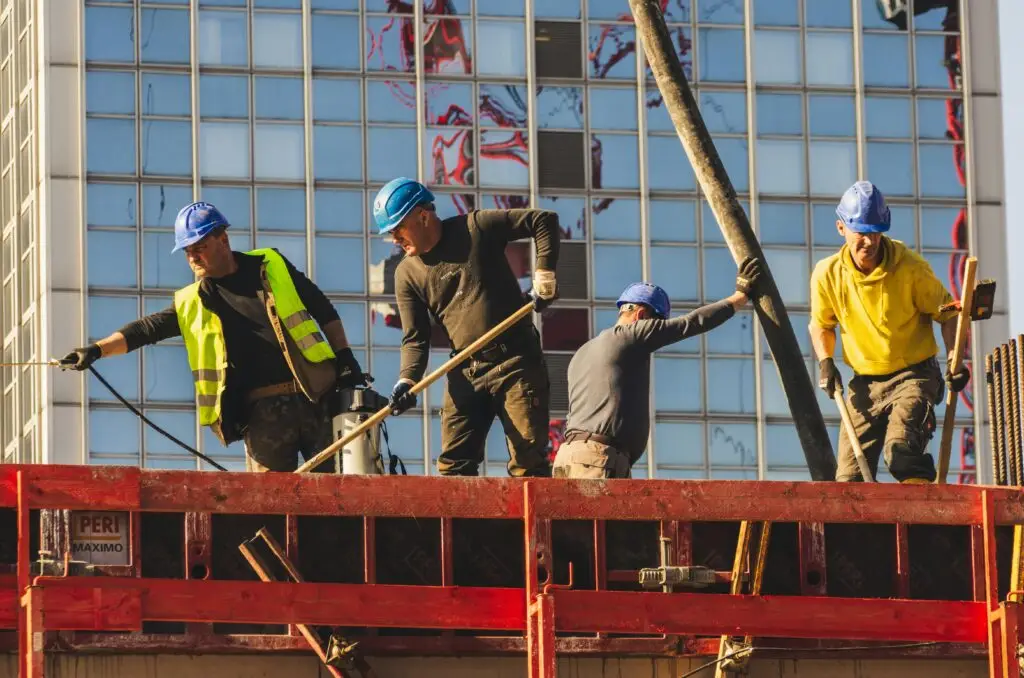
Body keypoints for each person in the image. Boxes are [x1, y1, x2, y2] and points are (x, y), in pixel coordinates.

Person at [60, 202, 368, 472]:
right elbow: (146, 329)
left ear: (223, 239)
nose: (193, 258)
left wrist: (344, 358)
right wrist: (97, 350)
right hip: (262, 416)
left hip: (316, 397)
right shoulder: (193, 301)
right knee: (273, 507)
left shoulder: (271, 266)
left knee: (335, 498)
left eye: (199, 248)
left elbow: (322, 309)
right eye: (187, 252)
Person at [374, 177, 559, 477]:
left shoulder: (476, 228)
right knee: (453, 468)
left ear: (422, 216)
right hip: (467, 369)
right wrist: (406, 382)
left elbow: (542, 220)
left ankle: (529, 525)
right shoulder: (406, 274)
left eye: (397, 229)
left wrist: (545, 274)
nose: (394, 239)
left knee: (528, 463)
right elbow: (415, 338)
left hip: (516, 361)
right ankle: (464, 526)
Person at [810, 181, 969, 484]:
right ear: (841, 228)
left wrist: (954, 359)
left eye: (875, 232)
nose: (869, 242)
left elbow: (949, 312)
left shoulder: (909, 268)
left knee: (901, 452)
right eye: (861, 233)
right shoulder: (827, 274)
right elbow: (822, 324)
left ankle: (921, 520)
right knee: (849, 479)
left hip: (914, 375)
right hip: (865, 384)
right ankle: (861, 531)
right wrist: (825, 361)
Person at [552, 259, 763, 479]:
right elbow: (691, 323)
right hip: (597, 461)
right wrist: (739, 297)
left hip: (572, 458)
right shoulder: (631, 335)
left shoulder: (583, 352)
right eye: (658, 323)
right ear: (641, 316)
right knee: (599, 514)